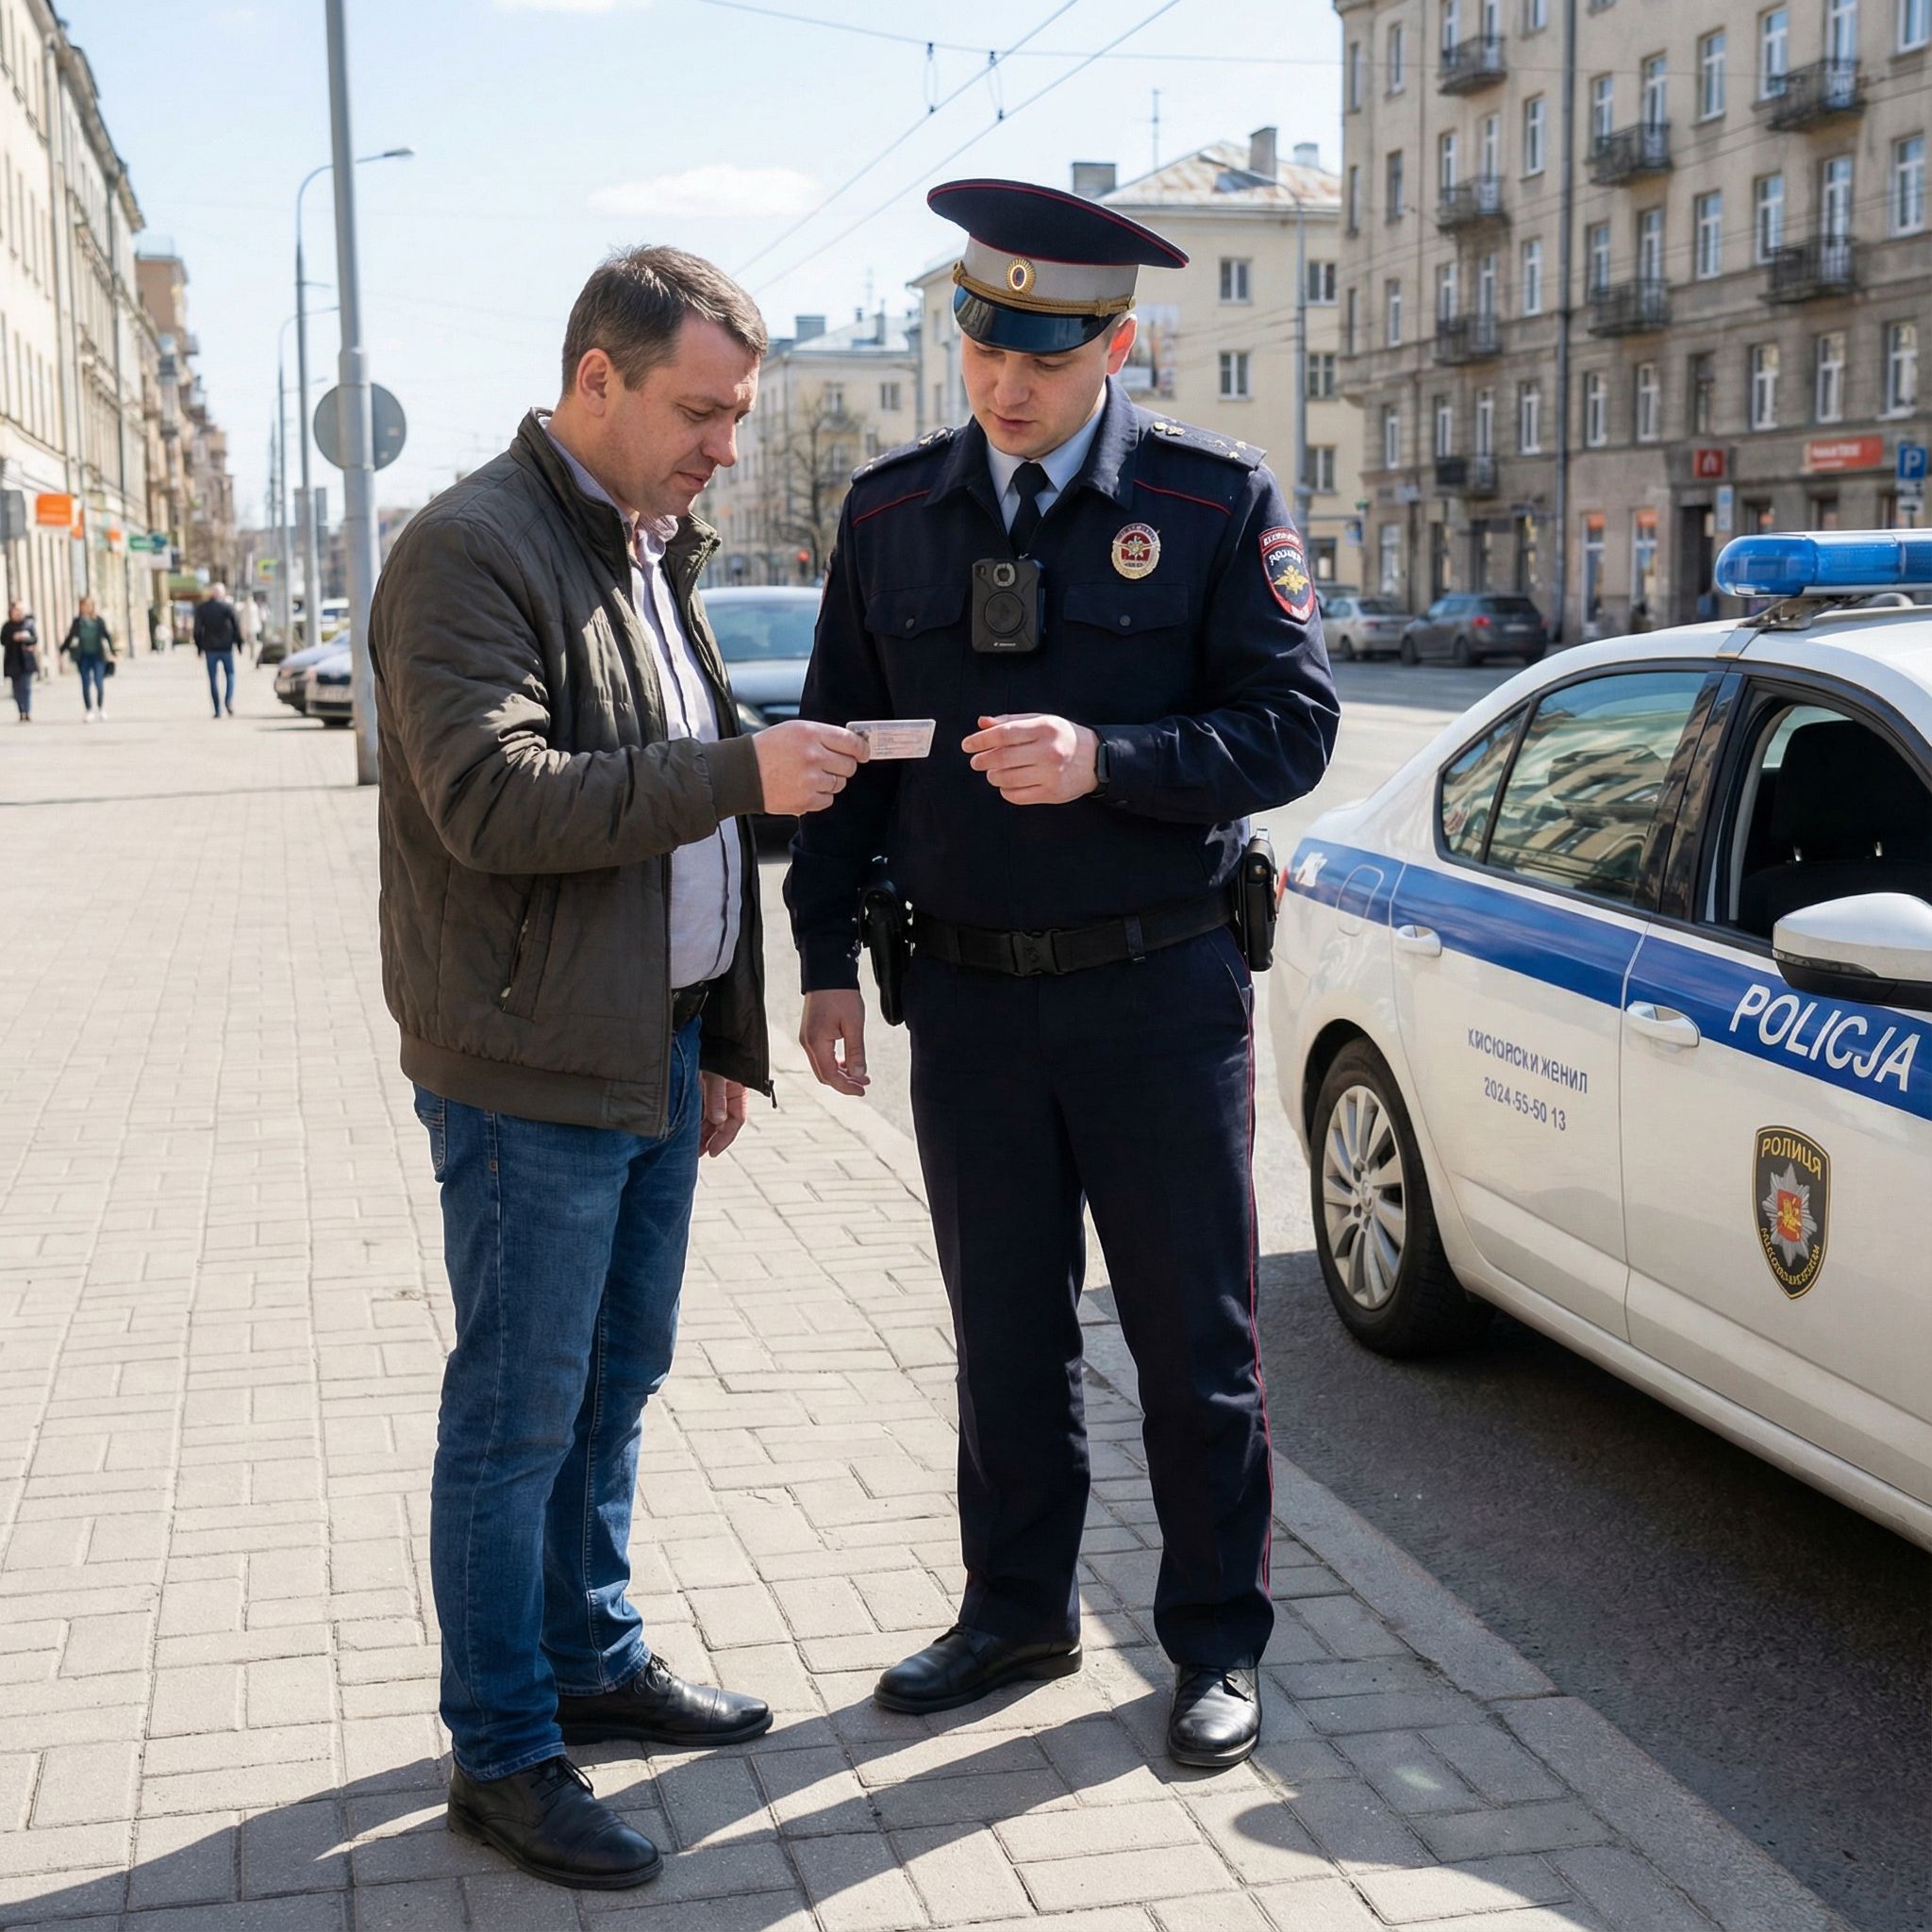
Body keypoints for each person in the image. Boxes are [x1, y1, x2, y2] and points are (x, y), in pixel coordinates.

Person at [788, 180, 1339, 1770]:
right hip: (962, 1001)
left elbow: (1289, 724)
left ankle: (1216, 1639)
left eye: (1040, 350)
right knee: (1003, 1330)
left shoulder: (1214, 497)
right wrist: (823, 958)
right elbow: (842, 756)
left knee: (1192, 1340)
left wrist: (1107, 756)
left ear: (1115, 341)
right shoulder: (891, 514)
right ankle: (1013, 1606)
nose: (1002, 381)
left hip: (1156, 995)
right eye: (980, 341)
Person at [370, 243, 865, 1892]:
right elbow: (493, 801)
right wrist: (741, 765)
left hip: (642, 1047)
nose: (727, 439)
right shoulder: (467, 548)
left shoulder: (647, 545)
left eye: (738, 411)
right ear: (599, 378)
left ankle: (588, 1650)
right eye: (701, 408)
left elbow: (679, 838)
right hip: (525, 1063)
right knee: (516, 1413)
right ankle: (504, 1744)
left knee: (617, 1378)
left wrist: (717, 1034)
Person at [59, 596, 113, 720]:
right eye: (83, 605)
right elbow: (70, 637)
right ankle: (89, 710)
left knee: (99, 683)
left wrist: (113, 652)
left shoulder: (99, 621)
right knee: (85, 683)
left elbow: (107, 636)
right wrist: (61, 651)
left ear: (92, 606)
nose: (85, 608)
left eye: (88, 605)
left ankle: (101, 707)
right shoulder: (77, 622)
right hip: (83, 656)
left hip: (98, 656)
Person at [193, 584, 243, 718]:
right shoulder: (227, 608)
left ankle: (217, 710)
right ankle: (228, 700)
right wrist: (239, 645)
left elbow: (197, 629)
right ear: (222, 594)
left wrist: (199, 647)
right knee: (230, 675)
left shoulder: (203, 608)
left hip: (210, 649)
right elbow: (236, 627)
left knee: (213, 679)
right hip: (226, 648)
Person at [3, 603, 37, 723]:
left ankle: (27, 711)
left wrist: (27, 639)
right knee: (17, 689)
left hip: (26, 660)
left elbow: (34, 638)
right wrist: (13, 638)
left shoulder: (28, 624)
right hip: (13, 661)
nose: (18, 613)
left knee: (26, 687)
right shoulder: (7, 626)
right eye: (15, 611)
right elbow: (2, 640)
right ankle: (21, 710)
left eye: (19, 611)